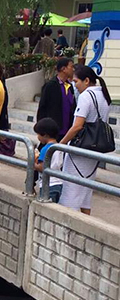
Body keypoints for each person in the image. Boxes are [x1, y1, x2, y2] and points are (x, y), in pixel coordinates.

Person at [59, 65, 112, 215]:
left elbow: (77, 126)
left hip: (81, 149)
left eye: (76, 81)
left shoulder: (86, 96)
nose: (75, 85)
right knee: (86, 192)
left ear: (87, 81)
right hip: (95, 148)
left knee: (71, 191)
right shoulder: (103, 94)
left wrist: (60, 145)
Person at [37, 57, 76, 140]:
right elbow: (43, 107)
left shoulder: (69, 86)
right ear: (63, 69)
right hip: (54, 130)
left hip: (67, 130)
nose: (73, 69)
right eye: (71, 67)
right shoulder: (51, 85)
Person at [33, 118, 64, 202]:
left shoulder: (45, 149)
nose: (38, 137)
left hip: (48, 184)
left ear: (45, 135)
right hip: (58, 183)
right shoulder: (58, 147)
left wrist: (33, 163)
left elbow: (42, 167)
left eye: (39, 134)